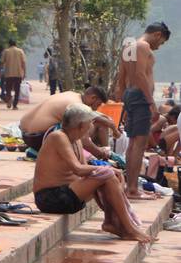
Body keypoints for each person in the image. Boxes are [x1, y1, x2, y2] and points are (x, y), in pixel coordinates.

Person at [32, 103, 153, 243]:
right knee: (107, 175)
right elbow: (78, 169)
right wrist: (108, 170)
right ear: (81, 125)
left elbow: (85, 170)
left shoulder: (76, 140)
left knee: (108, 177)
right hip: (50, 198)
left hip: (68, 194)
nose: (92, 127)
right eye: (90, 123)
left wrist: (107, 172)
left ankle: (112, 222)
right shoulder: (58, 137)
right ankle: (128, 228)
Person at [111, 21, 171, 198]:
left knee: (133, 143)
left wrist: (123, 100)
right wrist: (151, 102)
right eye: (160, 43)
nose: (158, 47)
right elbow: (139, 75)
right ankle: (132, 189)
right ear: (158, 34)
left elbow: (121, 77)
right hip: (141, 97)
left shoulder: (129, 45)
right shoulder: (143, 47)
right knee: (139, 143)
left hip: (131, 95)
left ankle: (131, 185)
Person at [19, 85, 113, 154]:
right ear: (93, 98)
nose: (96, 108)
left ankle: (105, 151)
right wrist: (99, 152)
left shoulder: (72, 95)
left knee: (99, 121)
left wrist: (109, 122)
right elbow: (84, 139)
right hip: (38, 138)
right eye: (98, 104)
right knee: (86, 126)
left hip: (25, 136)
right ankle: (106, 154)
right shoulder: (77, 105)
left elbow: (95, 115)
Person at [0, 39, 26, 110]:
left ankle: (9, 100)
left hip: (8, 74)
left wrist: (0, 71)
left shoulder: (6, 51)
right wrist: (24, 72)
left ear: (9, 44)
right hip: (18, 74)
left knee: (8, 89)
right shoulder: (20, 51)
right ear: (15, 44)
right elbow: (23, 63)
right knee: (17, 90)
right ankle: (15, 105)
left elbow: (2, 62)